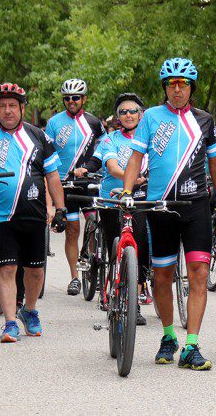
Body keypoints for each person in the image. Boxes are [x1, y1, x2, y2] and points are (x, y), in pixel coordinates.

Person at [123, 57, 216, 371]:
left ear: (191, 88)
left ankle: (191, 346)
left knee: (198, 273)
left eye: (183, 84)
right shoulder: (151, 117)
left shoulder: (205, 120)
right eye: (171, 84)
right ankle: (168, 336)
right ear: (165, 88)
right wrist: (127, 192)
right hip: (161, 206)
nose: (177, 90)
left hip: (196, 206)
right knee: (162, 276)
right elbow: (135, 158)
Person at [0, 83, 66, 342]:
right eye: (2, 106)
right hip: (0, 216)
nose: (8, 110)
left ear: (22, 108)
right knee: (6, 268)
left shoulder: (38, 136)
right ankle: (9, 323)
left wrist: (60, 208)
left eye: (13, 105)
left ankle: (29, 311)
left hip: (34, 214)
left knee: (35, 270)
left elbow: (52, 175)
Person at [73, 93, 151, 326]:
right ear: (118, 117)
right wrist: (132, 178)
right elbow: (113, 167)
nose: (128, 115)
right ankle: (115, 288)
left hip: (141, 199)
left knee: (140, 248)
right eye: (123, 112)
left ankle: (135, 302)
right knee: (114, 246)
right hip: (112, 200)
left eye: (132, 111)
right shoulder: (110, 140)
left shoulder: (151, 138)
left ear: (141, 114)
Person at [44, 78, 106, 296]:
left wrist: (94, 168)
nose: (71, 101)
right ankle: (74, 278)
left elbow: (106, 148)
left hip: (88, 182)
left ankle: (91, 261)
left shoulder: (94, 123)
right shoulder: (54, 123)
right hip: (65, 183)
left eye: (76, 97)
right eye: (68, 98)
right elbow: (47, 153)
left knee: (93, 222)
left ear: (84, 99)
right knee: (72, 231)